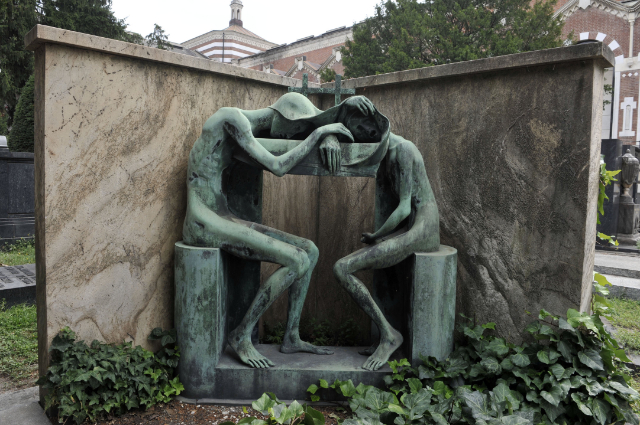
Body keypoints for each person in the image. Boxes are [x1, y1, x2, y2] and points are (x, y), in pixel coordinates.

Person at [183, 93, 383, 368]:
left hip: (221, 214)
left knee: (309, 250)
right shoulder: (231, 119)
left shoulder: (245, 133)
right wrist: (320, 133)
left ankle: (291, 336)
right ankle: (241, 335)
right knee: (296, 259)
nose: (295, 134)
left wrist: (332, 126)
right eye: (298, 127)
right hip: (202, 219)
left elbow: (308, 129)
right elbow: (278, 167)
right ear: (283, 116)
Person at [333, 132, 440, 371]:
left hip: (424, 229)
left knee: (342, 268)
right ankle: (387, 334)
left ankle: (390, 336)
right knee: (341, 268)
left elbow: (404, 209)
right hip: (411, 228)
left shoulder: (404, 149)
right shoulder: (388, 154)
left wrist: (376, 235)